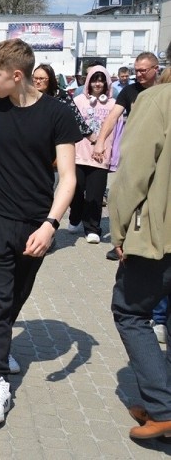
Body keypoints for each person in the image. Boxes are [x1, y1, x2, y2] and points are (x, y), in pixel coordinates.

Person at [0, 39, 81, 425]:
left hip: (35, 226)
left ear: (17, 75)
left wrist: (51, 224)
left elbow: (67, 177)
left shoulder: (57, 114)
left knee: (16, 295)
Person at [108, 81, 171, 441]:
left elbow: (133, 174)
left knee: (131, 311)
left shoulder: (157, 100)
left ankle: (163, 410)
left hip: (160, 236)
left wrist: (118, 231)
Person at [91, 52, 161, 261]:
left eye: (143, 70)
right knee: (127, 195)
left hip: (160, 152)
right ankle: (124, 241)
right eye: (136, 70)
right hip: (136, 152)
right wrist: (101, 141)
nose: (138, 74)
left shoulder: (163, 90)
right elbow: (113, 116)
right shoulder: (129, 91)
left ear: (155, 69)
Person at [66, 65, 117, 244]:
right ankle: (74, 218)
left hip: (101, 156)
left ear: (106, 83)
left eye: (101, 80)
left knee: (95, 195)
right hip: (79, 154)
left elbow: (118, 131)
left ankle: (92, 228)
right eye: (94, 80)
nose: (97, 84)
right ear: (88, 82)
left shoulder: (113, 104)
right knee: (76, 191)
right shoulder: (79, 100)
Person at [33, 64, 92, 138]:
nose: (38, 81)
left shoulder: (62, 96)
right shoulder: (28, 97)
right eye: (35, 78)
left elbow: (77, 118)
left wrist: (95, 140)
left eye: (41, 78)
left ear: (50, 79)